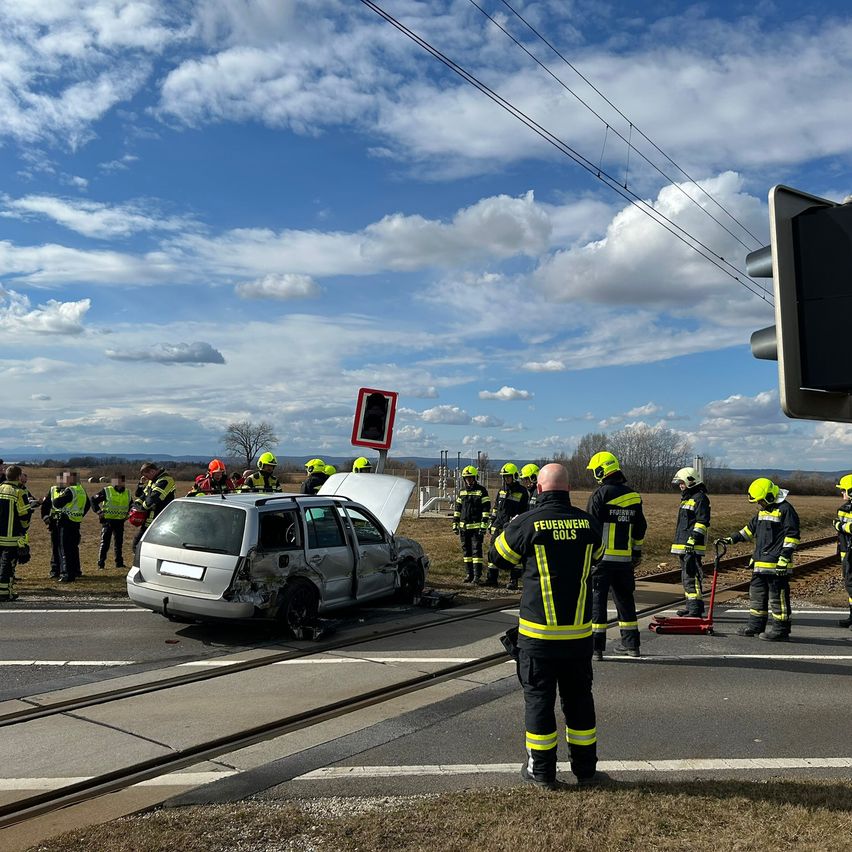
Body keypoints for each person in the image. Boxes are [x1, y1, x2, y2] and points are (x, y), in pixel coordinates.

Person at [489, 463, 604, 789]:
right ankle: (586, 771)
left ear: (538, 490)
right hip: (579, 636)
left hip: (538, 637)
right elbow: (598, 556)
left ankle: (542, 773)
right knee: (579, 701)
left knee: (539, 701)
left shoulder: (527, 523)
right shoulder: (589, 524)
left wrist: (508, 528)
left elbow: (496, 558)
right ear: (568, 490)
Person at [721, 478, 800, 641]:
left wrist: (784, 558)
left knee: (777, 598)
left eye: (761, 501)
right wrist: (731, 539)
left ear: (771, 496)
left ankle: (781, 630)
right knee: (756, 595)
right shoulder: (763, 512)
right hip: (760, 564)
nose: (759, 504)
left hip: (777, 565)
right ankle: (756, 626)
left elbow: (792, 536)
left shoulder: (785, 510)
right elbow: (748, 531)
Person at [586, 451, 647, 659]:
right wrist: (636, 552)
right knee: (625, 601)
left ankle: (596, 649)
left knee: (597, 603)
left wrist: (589, 557)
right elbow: (640, 528)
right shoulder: (633, 496)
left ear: (602, 470)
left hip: (601, 561)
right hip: (624, 561)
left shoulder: (599, 495)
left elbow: (591, 527)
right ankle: (632, 646)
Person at [670, 466, 711, 617]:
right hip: (684, 545)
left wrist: (692, 540)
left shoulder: (700, 499)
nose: (680, 485)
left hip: (691, 546)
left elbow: (702, 522)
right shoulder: (689, 498)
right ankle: (691, 606)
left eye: (682, 482)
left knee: (691, 576)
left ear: (690, 481)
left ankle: (695, 609)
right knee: (686, 577)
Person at [485, 463, 529, 589]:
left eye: (508, 477)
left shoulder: (522, 492)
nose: (505, 479)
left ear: (514, 476)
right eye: (504, 477)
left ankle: (513, 580)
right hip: (498, 527)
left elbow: (524, 511)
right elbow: (496, 508)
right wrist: (491, 522)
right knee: (492, 552)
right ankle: (492, 578)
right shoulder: (502, 490)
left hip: (512, 528)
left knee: (514, 553)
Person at [453, 465, 490, 584]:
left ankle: (477, 576)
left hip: (476, 528)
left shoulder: (481, 491)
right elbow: (457, 509)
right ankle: (469, 574)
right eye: (466, 478)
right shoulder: (462, 492)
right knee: (466, 553)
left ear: (475, 478)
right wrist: (455, 523)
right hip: (464, 528)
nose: (468, 480)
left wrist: (484, 526)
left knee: (476, 552)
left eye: (470, 478)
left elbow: (486, 509)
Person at [50, 471, 91, 582]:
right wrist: (80, 514)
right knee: (73, 549)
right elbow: (88, 504)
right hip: (76, 522)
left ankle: (67, 574)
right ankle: (75, 571)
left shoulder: (70, 490)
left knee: (65, 549)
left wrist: (55, 499)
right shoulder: (81, 490)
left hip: (66, 522)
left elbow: (57, 503)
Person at [0, 465, 31, 601]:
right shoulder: (19, 492)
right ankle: (5, 592)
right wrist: (24, 529)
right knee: (8, 564)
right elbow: (24, 515)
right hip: (11, 536)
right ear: (18, 477)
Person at [132, 463, 176, 555]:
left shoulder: (165, 480)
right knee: (138, 544)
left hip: (161, 518)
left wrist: (141, 508)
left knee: (142, 544)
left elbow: (153, 499)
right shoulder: (153, 480)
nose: (146, 478)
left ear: (152, 471)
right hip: (151, 519)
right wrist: (136, 505)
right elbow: (143, 495)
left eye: (146, 475)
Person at [90, 473, 130, 570]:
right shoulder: (107, 490)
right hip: (108, 521)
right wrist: (99, 512)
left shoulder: (127, 492)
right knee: (105, 543)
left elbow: (131, 505)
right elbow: (93, 500)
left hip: (120, 521)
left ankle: (119, 563)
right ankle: (101, 564)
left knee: (119, 543)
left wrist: (128, 515)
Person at [833, 474, 852, 629]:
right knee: (849, 584)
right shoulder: (844, 509)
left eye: (844, 490)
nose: (842, 493)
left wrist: (839, 526)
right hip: (846, 550)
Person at [40, 474, 64, 578]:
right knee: (55, 546)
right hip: (54, 522)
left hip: (68, 523)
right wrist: (45, 517)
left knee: (67, 548)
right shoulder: (53, 489)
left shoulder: (72, 491)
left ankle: (68, 570)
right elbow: (45, 505)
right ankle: (55, 570)